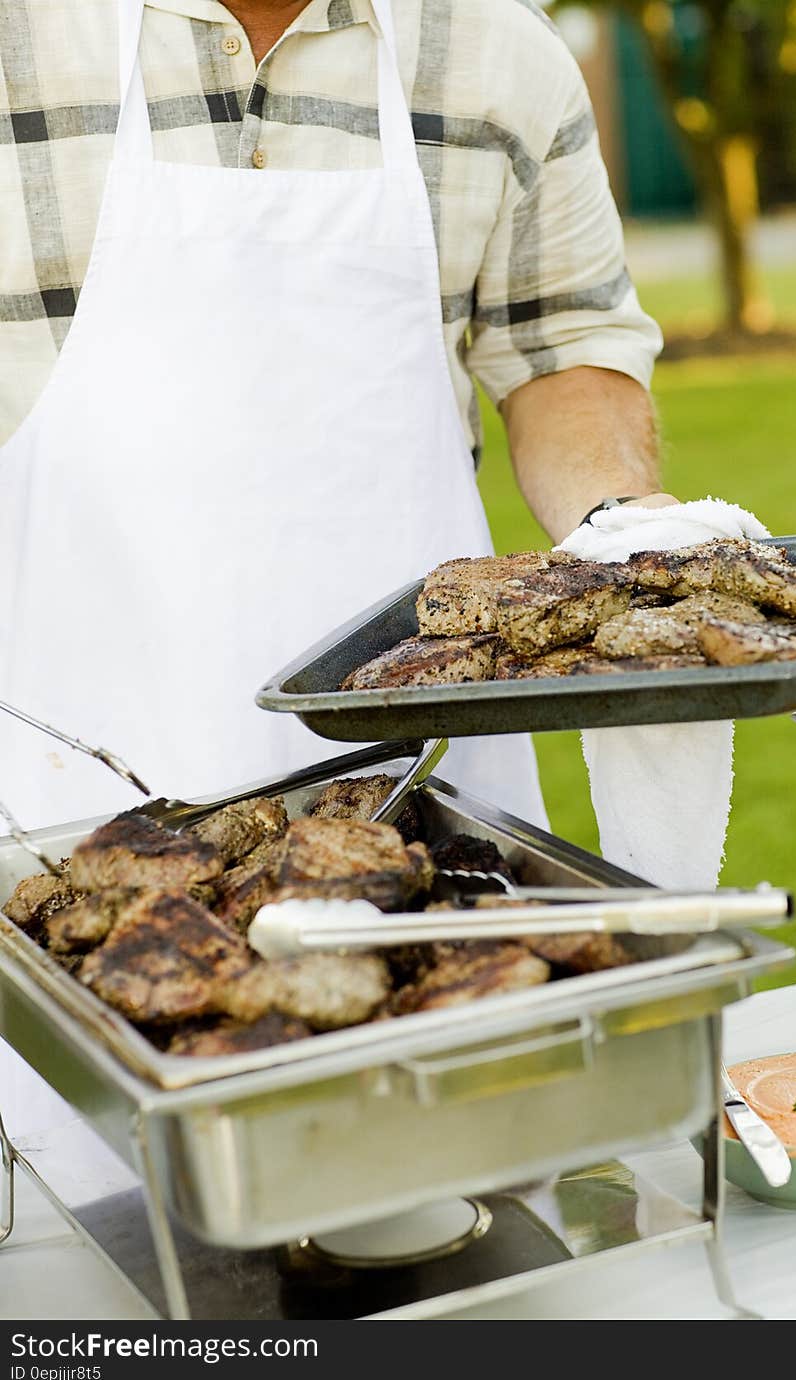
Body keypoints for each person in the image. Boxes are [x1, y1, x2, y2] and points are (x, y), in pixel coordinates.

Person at [0, 0, 669, 838]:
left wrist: (622, 529)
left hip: (415, 789)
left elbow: (562, 346)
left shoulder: (499, 47)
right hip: (59, 794)